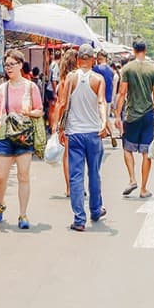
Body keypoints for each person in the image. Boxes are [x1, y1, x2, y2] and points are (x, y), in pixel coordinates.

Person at [55, 44, 109, 231]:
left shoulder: (70, 78)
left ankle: (79, 219)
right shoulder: (98, 79)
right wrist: (103, 123)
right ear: (93, 60)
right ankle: (95, 210)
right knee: (94, 173)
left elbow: (62, 103)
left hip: (75, 133)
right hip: (94, 133)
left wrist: (58, 127)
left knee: (76, 176)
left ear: (78, 60)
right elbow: (101, 102)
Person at [0, 48, 44, 229]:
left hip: (24, 136)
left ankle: (23, 214)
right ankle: (0, 204)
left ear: (20, 65)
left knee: (23, 176)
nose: (8, 68)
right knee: (0, 176)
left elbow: (40, 110)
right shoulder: (2, 88)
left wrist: (28, 112)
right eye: (6, 65)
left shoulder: (31, 87)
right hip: (5, 135)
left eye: (12, 64)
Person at [113, 39, 154, 198]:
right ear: (145, 50)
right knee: (146, 152)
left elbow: (122, 93)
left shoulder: (127, 68)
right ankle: (143, 189)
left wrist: (117, 115)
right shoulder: (153, 70)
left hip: (131, 115)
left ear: (134, 51)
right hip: (148, 115)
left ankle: (132, 179)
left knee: (127, 148)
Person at [52, 49, 78, 197]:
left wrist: (56, 124)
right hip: (81, 121)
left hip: (68, 121)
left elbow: (61, 104)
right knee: (78, 155)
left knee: (67, 155)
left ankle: (69, 187)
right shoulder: (81, 78)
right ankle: (77, 185)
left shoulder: (64, 81)